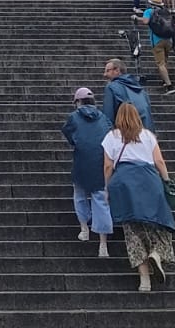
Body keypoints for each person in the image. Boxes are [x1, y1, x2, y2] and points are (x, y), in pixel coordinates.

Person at [103, 103, 175, 293]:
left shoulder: (112, 136)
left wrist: (107, 188)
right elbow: (159, 161)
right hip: (149, 180)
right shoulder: (148, 135)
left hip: (124, 182)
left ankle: (144, 280)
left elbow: (108, 166)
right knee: (158, 223)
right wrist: (166, 180)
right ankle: (157, 253)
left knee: (132, 231)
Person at [61, 87, 113, 259]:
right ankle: (103, 244)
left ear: (78, 102)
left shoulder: (74, 117)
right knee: (101, 199)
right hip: (100, 161)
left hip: (82, 161)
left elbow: (68, 134)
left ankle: (84, 228)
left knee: (80, 194)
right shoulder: (104, 118)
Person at [133, 0, 175, 93]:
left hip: (157, 39)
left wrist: (137, 18)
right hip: (169, 39)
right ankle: (164, 80)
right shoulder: (166, 12)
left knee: (160, 63)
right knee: (165, 61)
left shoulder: (149, 11)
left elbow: (145, 21)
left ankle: (169, 85)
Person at [102, 57, 154, 131]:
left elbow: (108, 116)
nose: (104, 74)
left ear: (117, 70)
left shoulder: (111, 87)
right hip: (145, 133)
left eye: (107, 71)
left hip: (125, 134)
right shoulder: (141, 90)